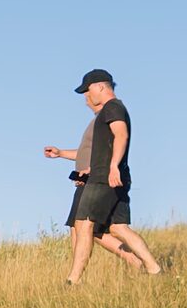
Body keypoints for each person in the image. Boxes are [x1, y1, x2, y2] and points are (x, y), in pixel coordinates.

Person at [41, 69, 162, 285]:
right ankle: (154, 270)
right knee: (118, 228)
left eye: (87, 92)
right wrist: (71, 159)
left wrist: (112, 166)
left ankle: (73, 281)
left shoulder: (112, 108)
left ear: (100, 87)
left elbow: (121, 134)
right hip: (109, 175)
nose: (87, 97)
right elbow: (101, 149)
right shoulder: (111, 110)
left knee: (84, 223)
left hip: (105, 177)